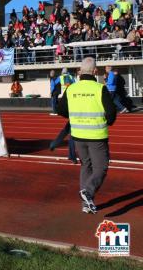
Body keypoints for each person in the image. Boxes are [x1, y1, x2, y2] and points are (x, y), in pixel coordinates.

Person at [57, 57, 116, 214]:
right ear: (95, 72)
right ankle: (88, 192)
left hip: (78, 135)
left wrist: (75, 117)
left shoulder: (71, 89)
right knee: (101, 167)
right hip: (96, 135)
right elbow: (111, 114)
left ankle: (85, 204)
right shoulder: (100, 88)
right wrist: (107, 121)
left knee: (86, 166)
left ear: (80, 72)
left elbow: (60, 110)